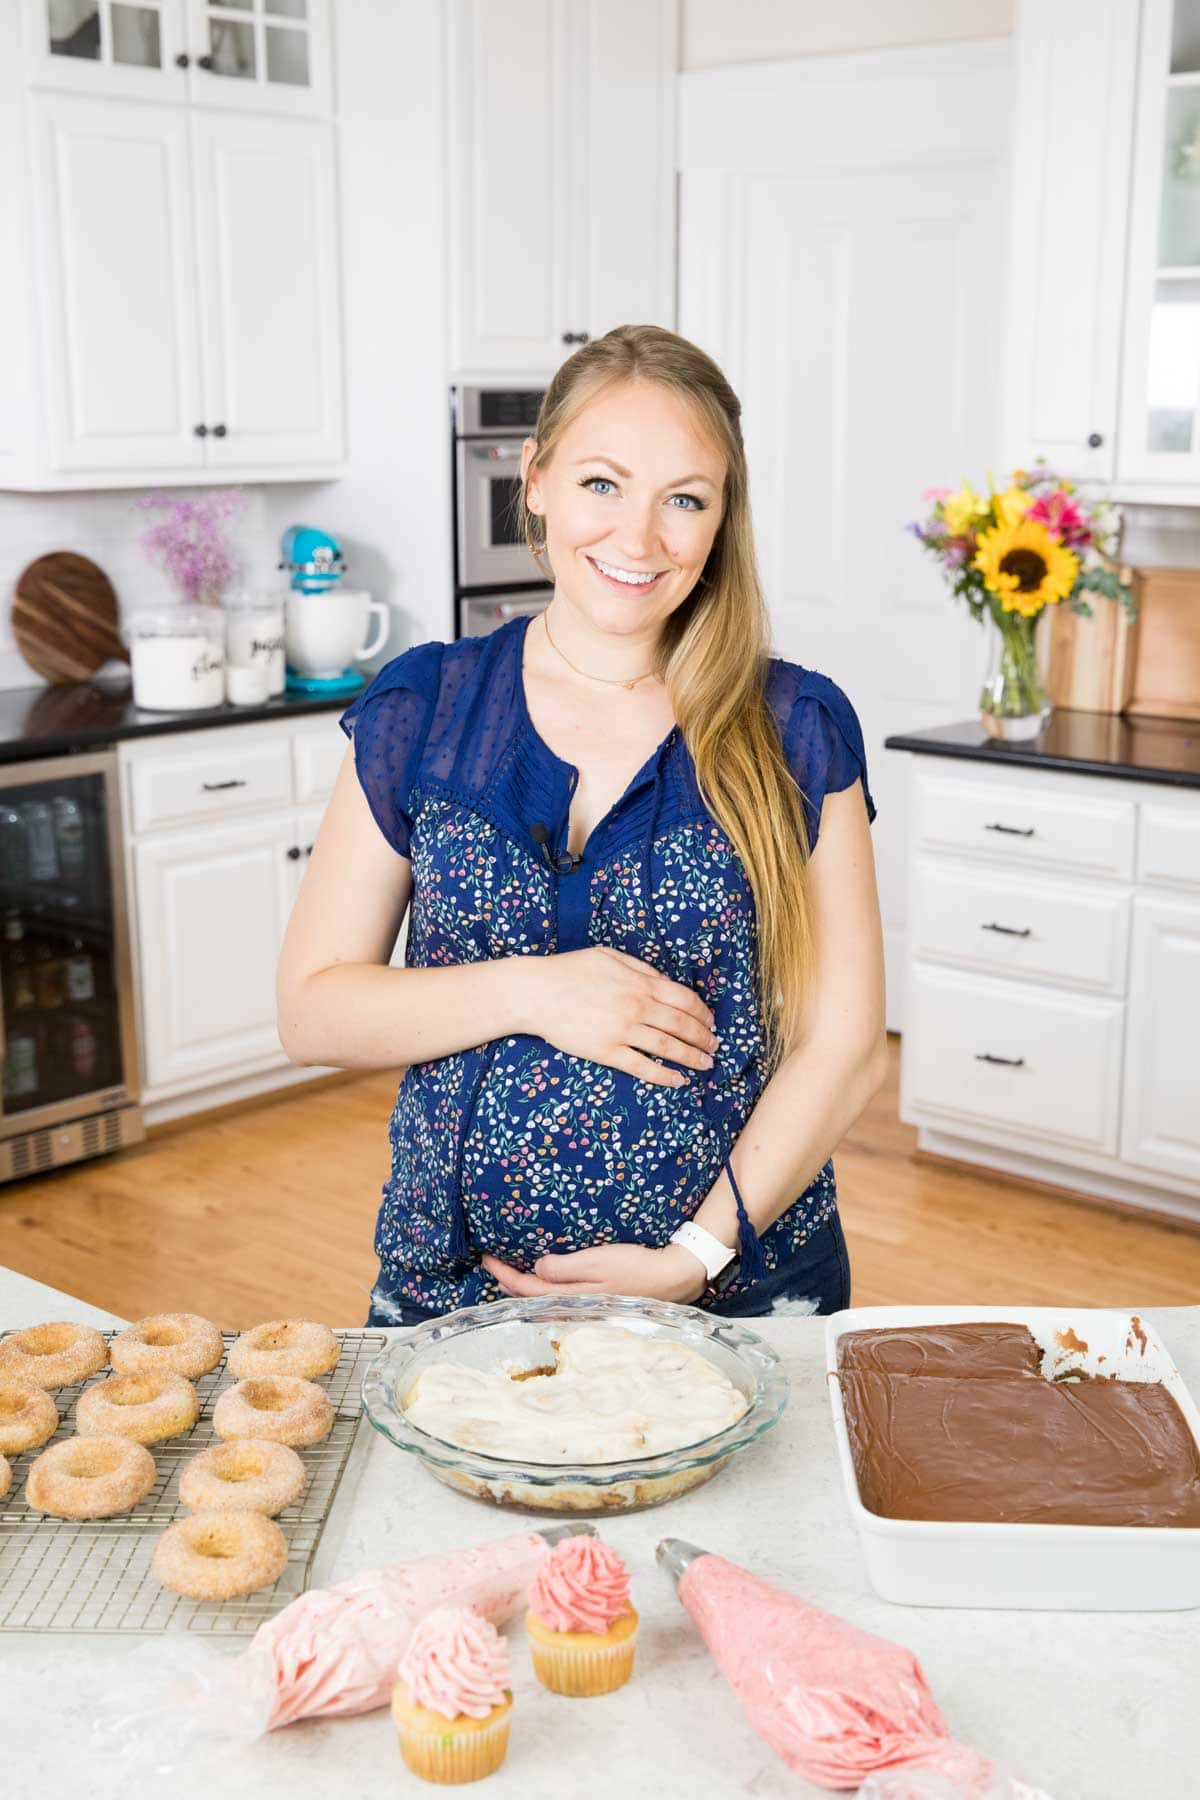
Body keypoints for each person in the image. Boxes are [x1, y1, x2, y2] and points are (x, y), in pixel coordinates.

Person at [277, 324, 887, 1327]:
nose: (639, 540)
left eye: (683, 499)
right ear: (540, 478)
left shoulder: (795, 727)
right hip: (456, 1292)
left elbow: (846, 1042)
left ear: (721, 518)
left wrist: (695, 1254)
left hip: (739, 1294)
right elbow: (313, 1012)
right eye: (604, 484)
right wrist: (536, 991)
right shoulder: (424, 710)